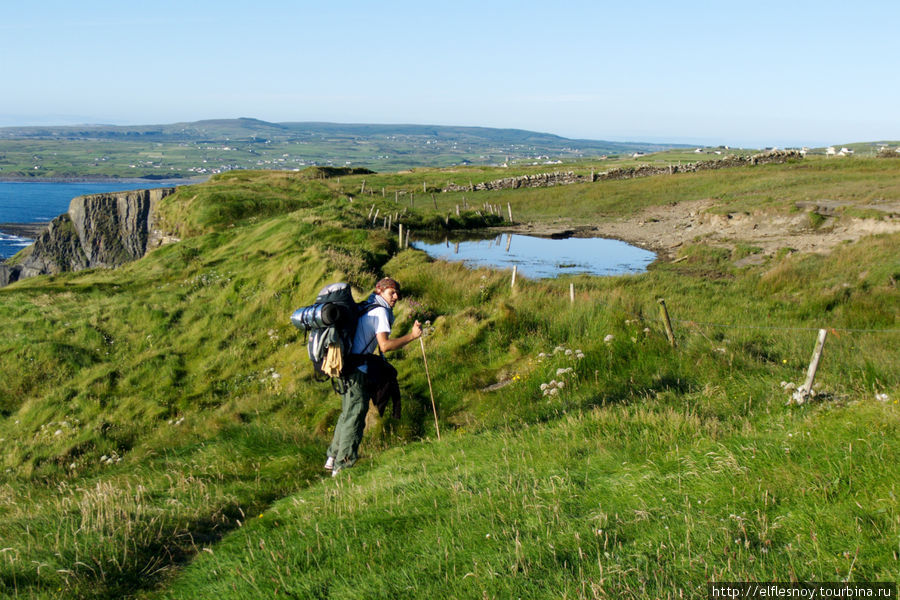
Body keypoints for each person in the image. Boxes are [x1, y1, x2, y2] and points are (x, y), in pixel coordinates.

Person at [325, 277, 422, 476]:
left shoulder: (368, 305)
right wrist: (412, 336)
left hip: (347, 365)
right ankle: (342, 467)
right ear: (380, 291)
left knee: (348, 413)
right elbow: (385, 345)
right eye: (391, 292)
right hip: (357, 371)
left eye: (397, 293)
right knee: (356, 417)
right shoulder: (380, 311)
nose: (396, 297)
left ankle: (332, 458)